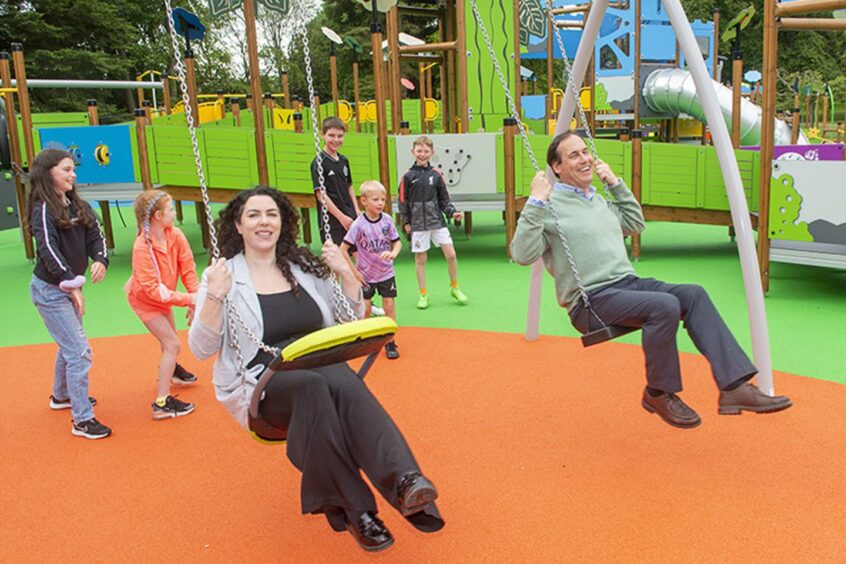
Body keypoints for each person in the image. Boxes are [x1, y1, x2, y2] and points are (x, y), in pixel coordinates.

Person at [187, 187, 443, 552]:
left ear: (283, 222)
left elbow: (350, 319)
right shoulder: (223, 276)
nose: (264, 222)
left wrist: (348, 275)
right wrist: (213, 296)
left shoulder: (303, 267)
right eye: (254, 215)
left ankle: (406, 482)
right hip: (263, 385)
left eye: (272, 214)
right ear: (238, 225)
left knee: (343, 381)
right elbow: (200, 349)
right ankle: (358, 511)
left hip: (318, 365)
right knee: (314, 386)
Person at [510, 132, 792, 429]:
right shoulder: (549, 206)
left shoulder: (597, 200)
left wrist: (615, 185)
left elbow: (635, 224)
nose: (585, 159)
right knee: (664, 306)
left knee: (693, 294)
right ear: (556, 167)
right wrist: (536, 201)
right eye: (574, 155)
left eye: (585, 152)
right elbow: (522, 254)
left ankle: (733, 387)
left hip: (627, 285)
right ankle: (659, 392)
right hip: (591, 300)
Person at [27, 148, 111, 439]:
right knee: (79, 352)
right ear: (48, 172)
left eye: (72, 169)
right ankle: (82, 420)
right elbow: (48, 249)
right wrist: (72, 284)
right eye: (65, 169)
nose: (72, 174)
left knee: (70, 344)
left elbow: (95, 234)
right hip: (49, 291)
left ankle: (61, 396)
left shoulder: (76, 205)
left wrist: (100, 258)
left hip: (66, 288)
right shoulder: (43, 208)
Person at [126, 190, 200, 420]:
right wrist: (188, 300)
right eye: (170, 209)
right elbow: (153, 291)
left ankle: (172, 372)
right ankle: (161, 403)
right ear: (158, 216)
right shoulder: (141, 247)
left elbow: (187, 267)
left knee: (169, 340)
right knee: (172, 344)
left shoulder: (175, 235)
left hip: (165, 297)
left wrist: (194, 297)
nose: (174, 213)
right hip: (146, 302)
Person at [397, 135, 467, 309]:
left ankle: (454, 288)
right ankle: (423, 294)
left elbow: (444, 199)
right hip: (418, 225)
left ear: (432, 153)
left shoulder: (436, 175)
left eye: (426, 151)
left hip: (437, 222)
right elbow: (402, 201)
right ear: (413, 152)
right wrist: (406, 222)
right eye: (419, 151)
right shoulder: (407, 176)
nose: (422, 154)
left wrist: (453, 213)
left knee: (451, 254)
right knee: (421, 259)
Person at [340, 180, 402, 359]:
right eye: (376, 199)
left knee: (389, 305)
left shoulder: (387, 220)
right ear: (364, 201)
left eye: (383, 199)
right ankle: (363, 339)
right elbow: (343, 249)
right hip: (365, 275)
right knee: (365, 309)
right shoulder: (358, 225)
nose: (380, 203)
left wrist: (393, 253)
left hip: (386, 272)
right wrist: (354, 272)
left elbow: (397, 242)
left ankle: (390, 341)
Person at [310, 116, 359, 247]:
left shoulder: (344, 160)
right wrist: (340, 217)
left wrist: (356, 210)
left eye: (340, 136)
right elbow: (321, 194)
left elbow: (349, 186)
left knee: (357, 251)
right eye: (331, 135)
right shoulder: (319, 162)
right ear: (323, 135)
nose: (336, 140)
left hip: (349, 213)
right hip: (332, 218)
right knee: (337, 256)